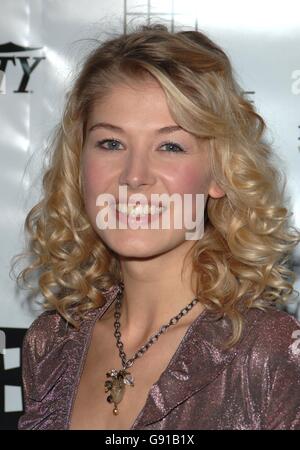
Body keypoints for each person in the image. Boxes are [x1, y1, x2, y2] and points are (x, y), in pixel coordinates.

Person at [14, 23, 300, 430]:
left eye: (170, 146)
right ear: (80, 167)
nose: (134, 176)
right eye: (111, 143)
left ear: (220, 174)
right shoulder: (50, 343)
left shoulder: (268, 354)